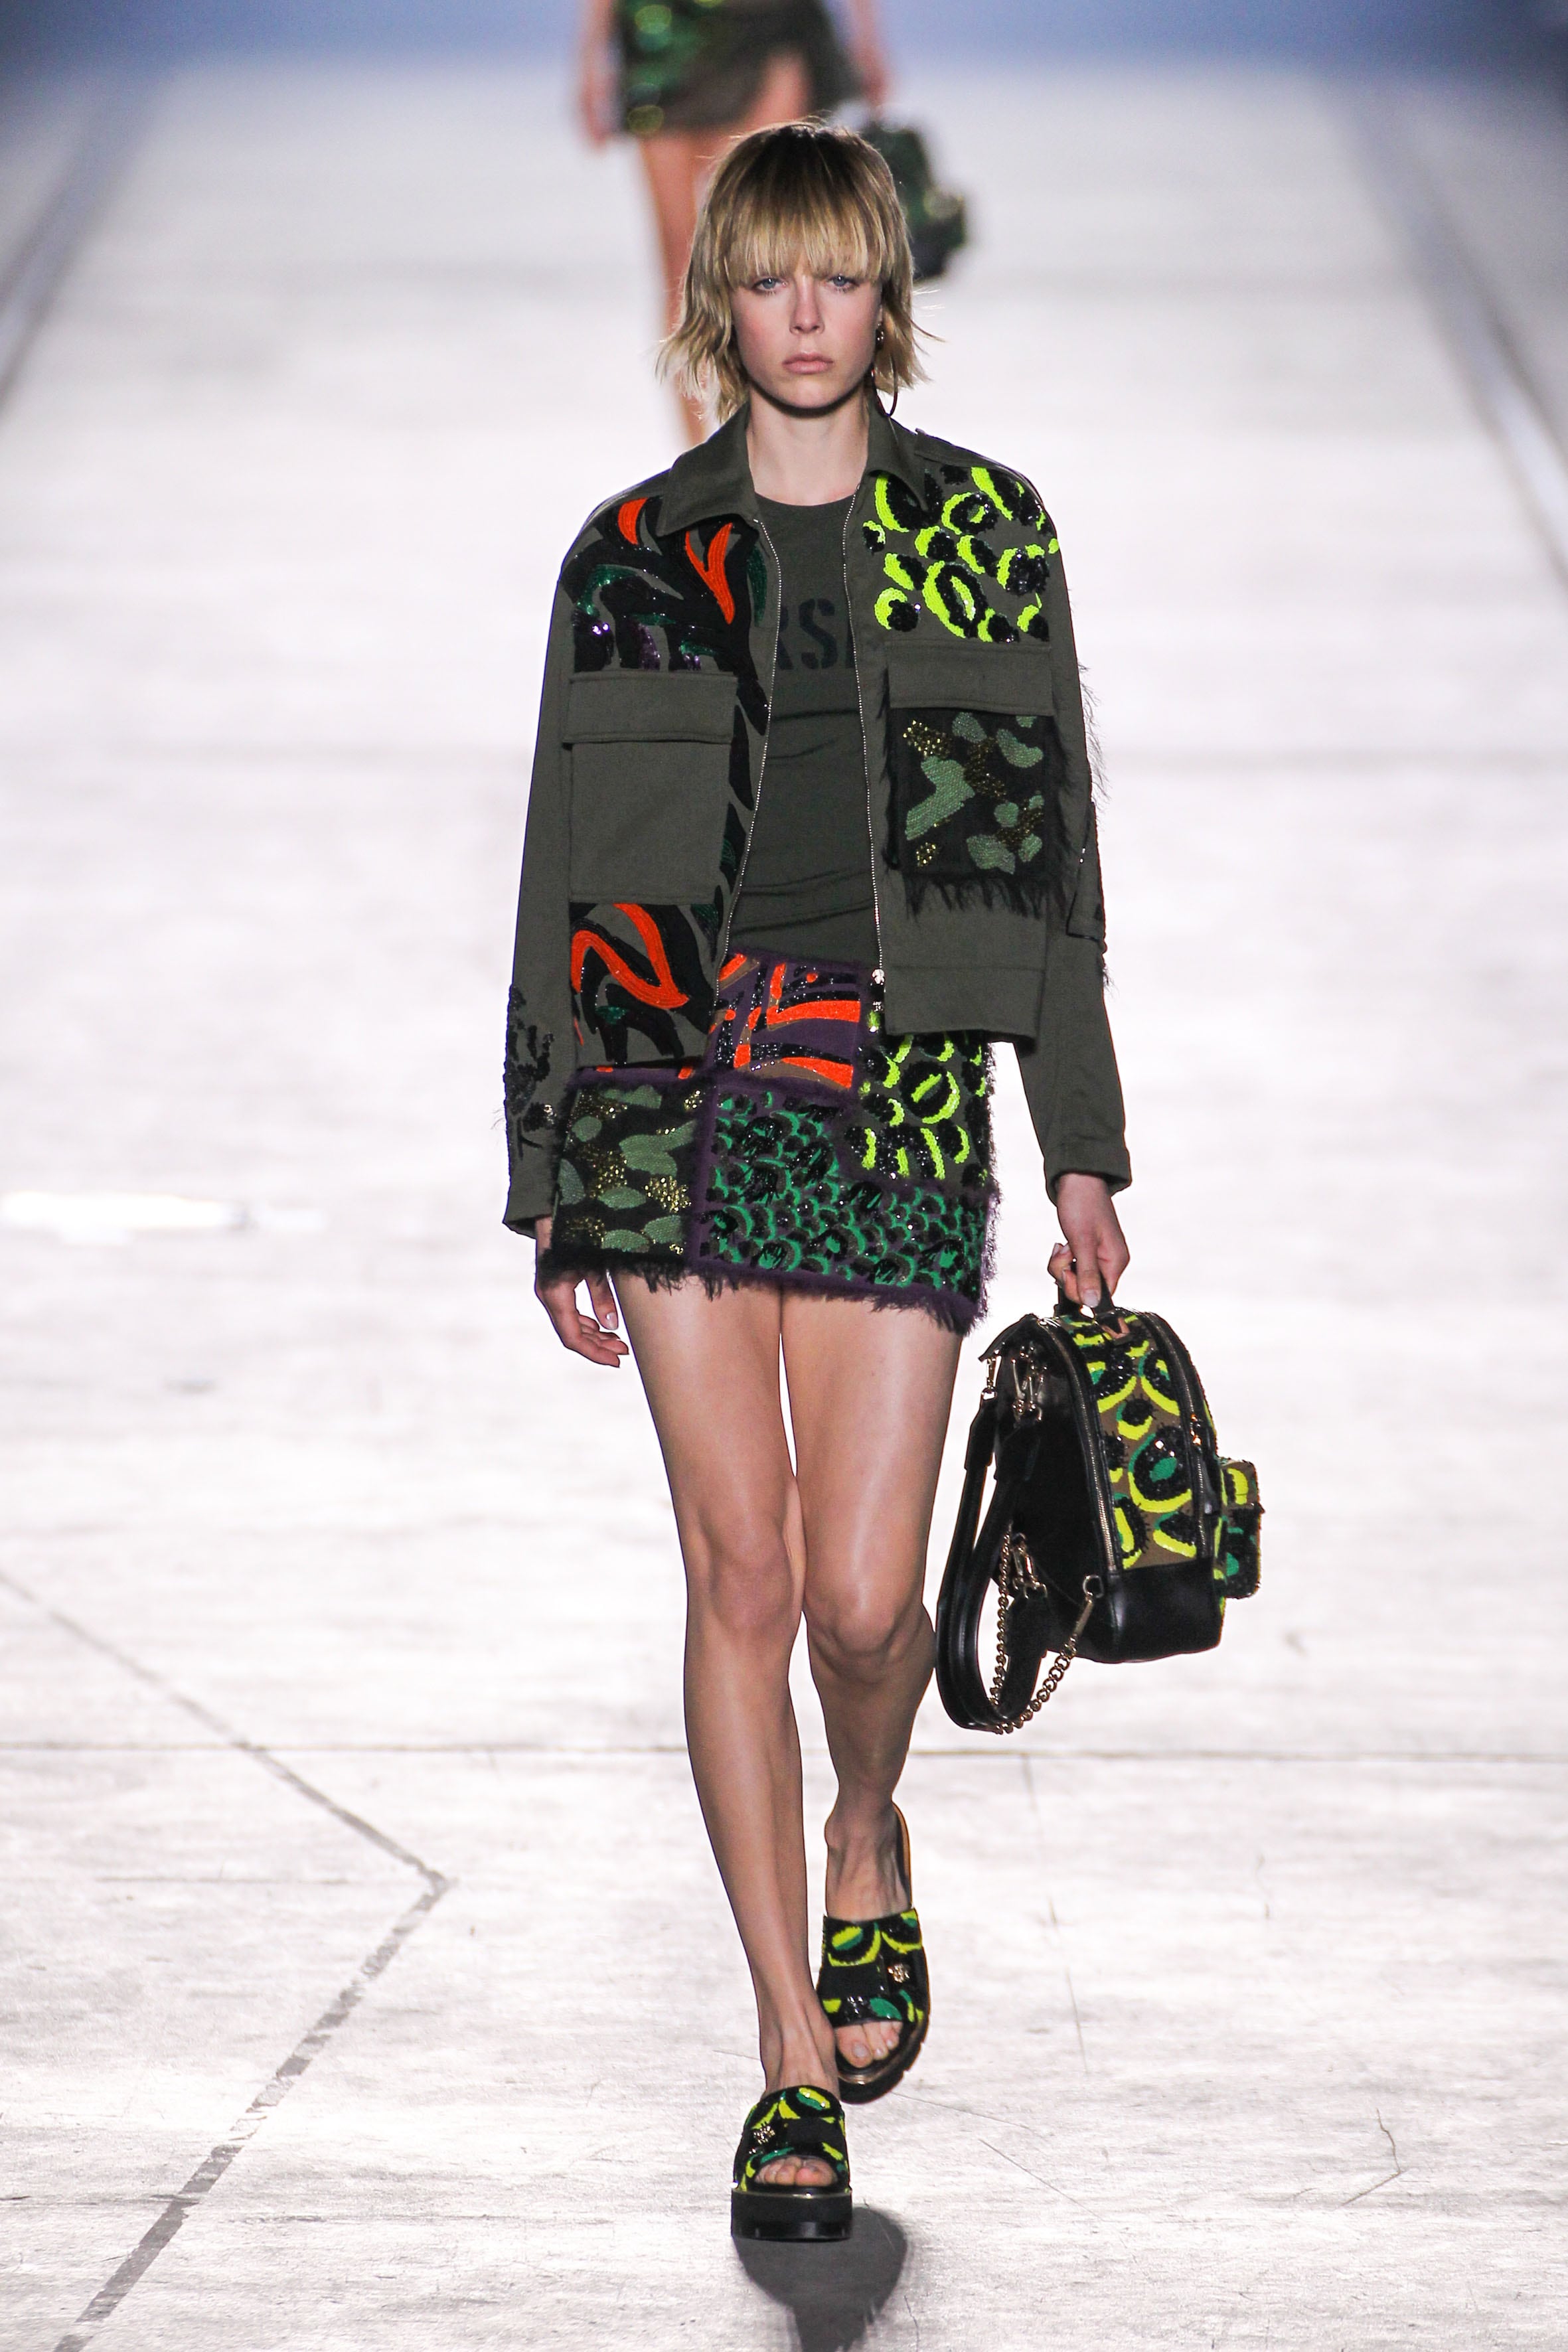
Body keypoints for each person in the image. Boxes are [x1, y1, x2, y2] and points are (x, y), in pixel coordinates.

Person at [503, 123, 1131, 2244]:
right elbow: (558, 876)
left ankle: (867, 1822)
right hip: (677, 1105)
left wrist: (1081, 1140)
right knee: (742, 1575)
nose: (799, 314)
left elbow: (1051, 864)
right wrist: (554, 1169)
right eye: (763, 278)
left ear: (882, 297)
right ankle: (787, 2054)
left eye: (833, 278)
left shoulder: (987, 536)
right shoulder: (626, 558)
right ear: (718, 302)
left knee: (870, 1601)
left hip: (893, 1096)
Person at [577, 0, 888, 440]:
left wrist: (867, 37)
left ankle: (775, 456)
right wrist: (591, 57)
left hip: (766, 27)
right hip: (663, 35)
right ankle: (702, 465)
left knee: (769, 251)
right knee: (683, 265)